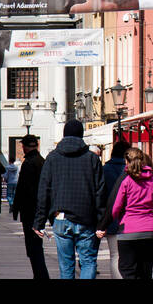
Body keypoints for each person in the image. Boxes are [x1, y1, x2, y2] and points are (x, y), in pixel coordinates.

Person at [34, 119, 107, 280]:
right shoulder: (92, 159)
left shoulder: (52, 158)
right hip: (86, 219)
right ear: (81, 135)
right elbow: (100, 192)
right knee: (88, 262)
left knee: (66, 266)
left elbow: (43, 191)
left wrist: (39, 222)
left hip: (61, 217)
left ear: (64, 135)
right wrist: (102, 222)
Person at [110, 148, 153, 279]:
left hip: (129, 229)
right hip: (149, 229)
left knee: (127, 268)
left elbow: (116, 207)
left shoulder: (127, 181)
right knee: (145, 270)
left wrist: (118, 219)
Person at [11, 134, 49, 279]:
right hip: (39, 209)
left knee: (33, 247)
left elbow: (22, 188)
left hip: (29, 210)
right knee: (36, 245)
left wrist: (16, 208)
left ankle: (40, 275)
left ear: (24, 147)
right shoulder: (42, 161)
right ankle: (39, 274)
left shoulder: (28, 163)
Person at [100, 141, 129, 279]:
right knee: (128, 257)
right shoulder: (130, 170)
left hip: (111, 217)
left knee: (114, 255)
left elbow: (101, 194)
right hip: (130, 219)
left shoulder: (105, 169)